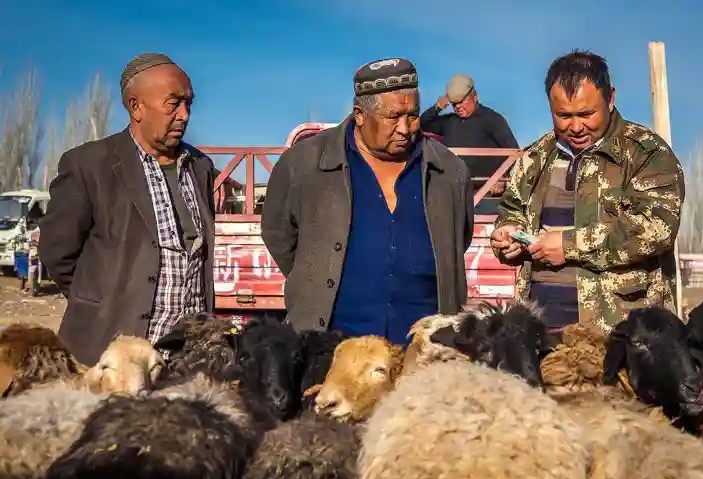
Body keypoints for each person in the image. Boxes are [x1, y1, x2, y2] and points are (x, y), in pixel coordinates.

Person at [261, 57, 474, 346]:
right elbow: (278, 232)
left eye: (412, 115)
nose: (405, 128)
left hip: (426, 357)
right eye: (393, 117)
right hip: (331, 351)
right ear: (360, 114)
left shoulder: (450, 171)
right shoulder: (303, 164)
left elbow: (459, 238)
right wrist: (317, 274)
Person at [38, 53, 218, 365]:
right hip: (111, 356)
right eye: (173, 103)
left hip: (184, 359)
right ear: (136, 107)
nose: (185, 114)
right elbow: (57, 252)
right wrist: (101, 302)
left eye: (189, 103)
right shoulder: (89, 165)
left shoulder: (200, 167)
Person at [490, 49, 685, 334]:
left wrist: (569, 246)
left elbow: (655, 229)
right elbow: (512, 211)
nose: (576, 126)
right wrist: (509, 236)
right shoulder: (534, 158)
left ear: (611, 98)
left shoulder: (645, 153)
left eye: (586, 113)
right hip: (541, 333)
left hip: (622, 338)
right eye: (564, 116)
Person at [420, 73, 518, 195]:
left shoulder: (492, 119)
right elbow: (421, 124)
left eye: (461, 101)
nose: (458, 107)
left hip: (487, 195)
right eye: (454, 104)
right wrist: (437, 108)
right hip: (454, 193)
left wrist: (501, 177)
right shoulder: (449, 122)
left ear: (474, 96)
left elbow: (513, 149)